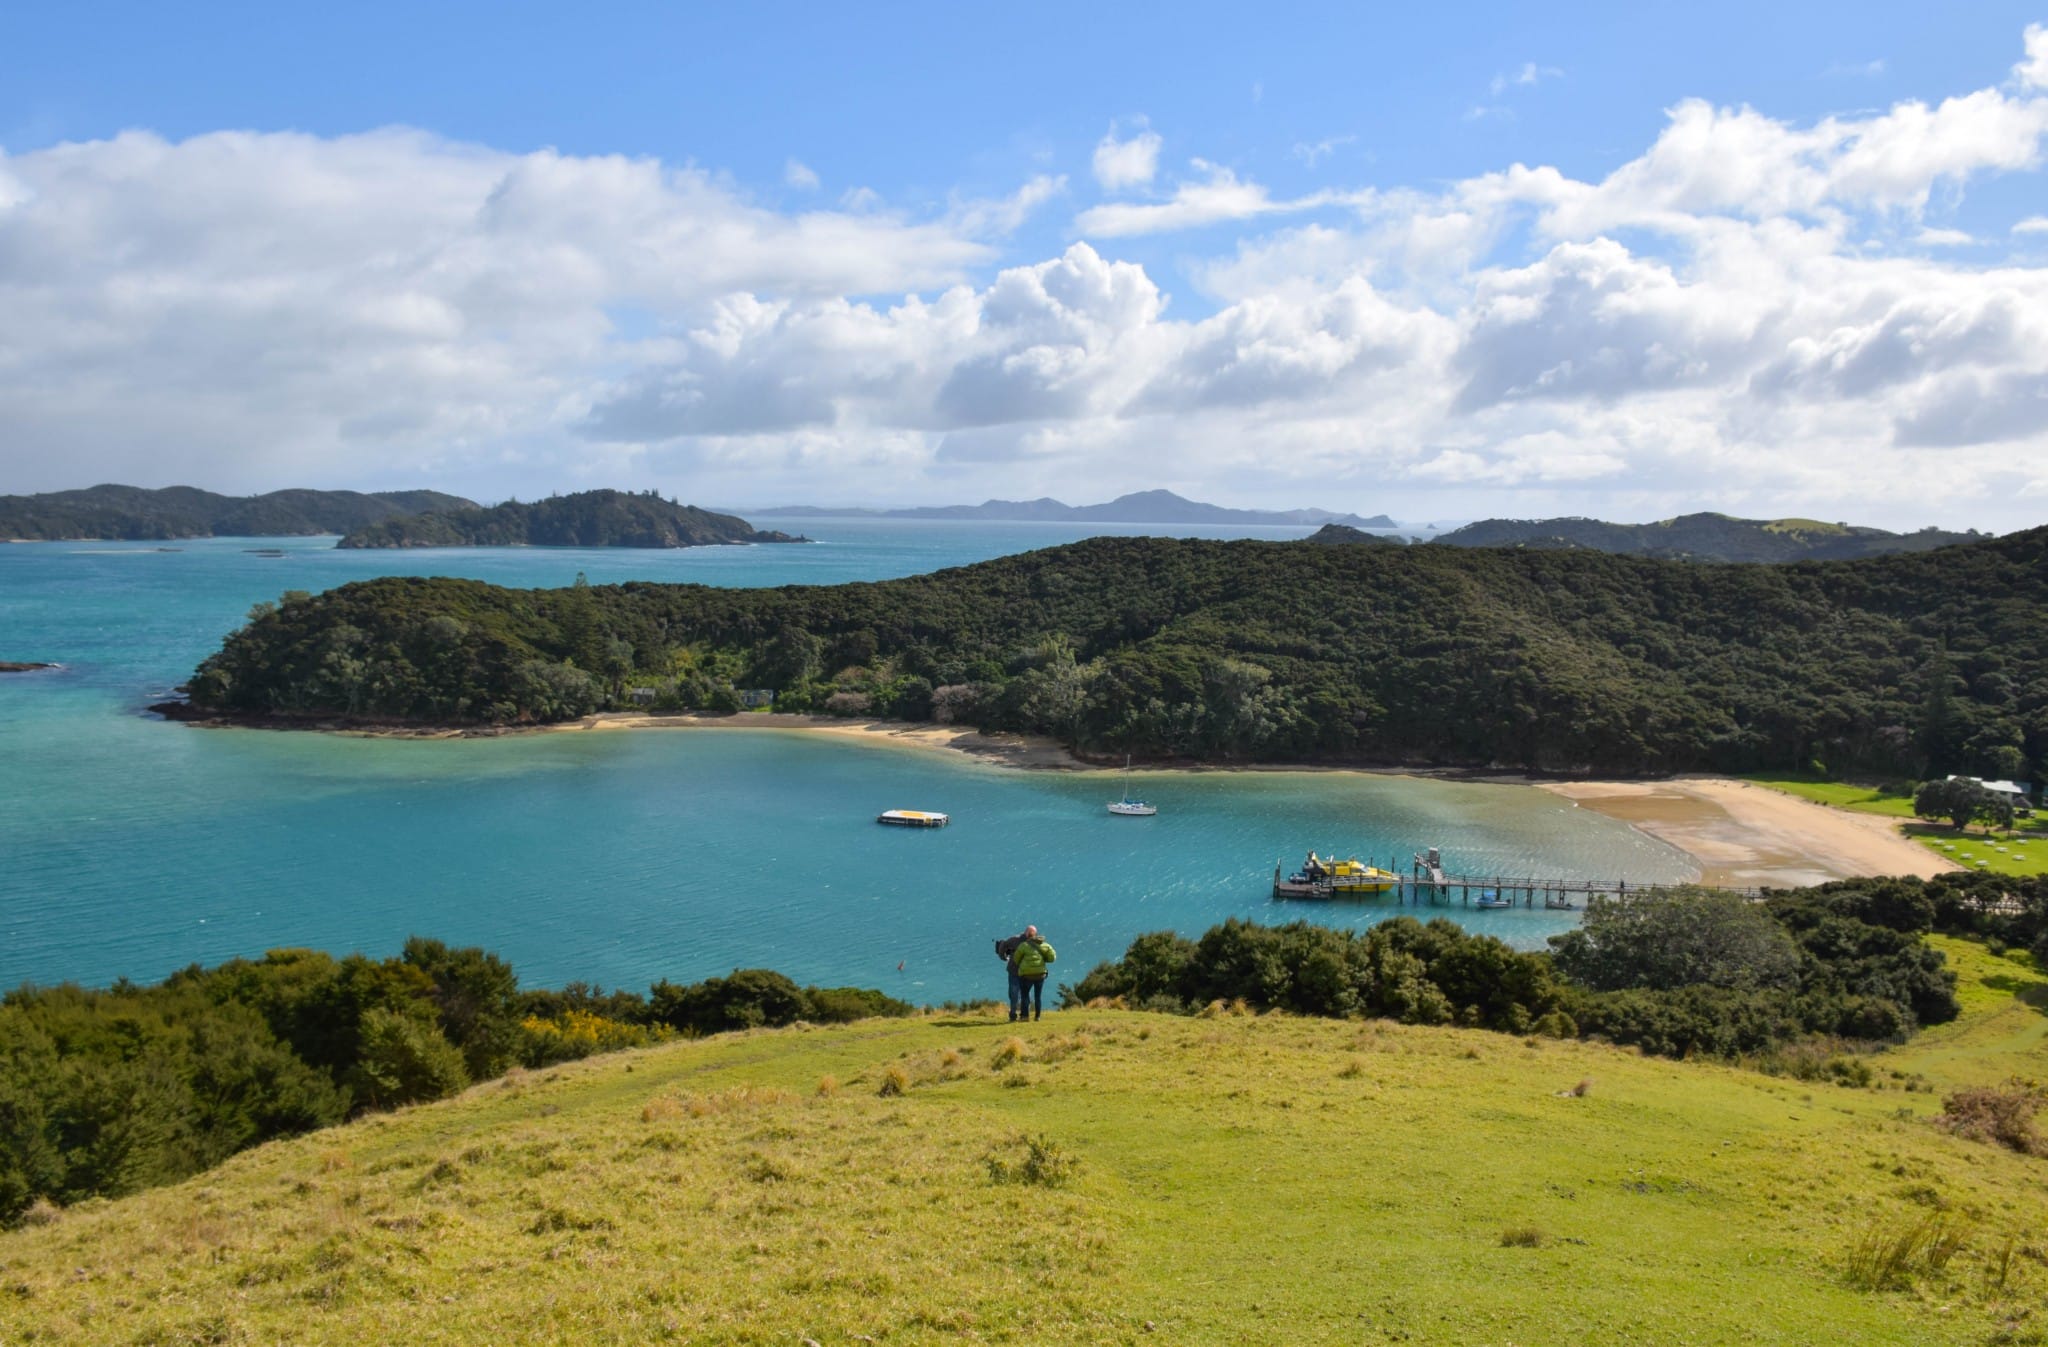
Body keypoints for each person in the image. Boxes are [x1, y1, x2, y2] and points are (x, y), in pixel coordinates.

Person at [1011, 924, 1056, 1021]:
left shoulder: (1023, 946)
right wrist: (1044, 960)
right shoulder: (1045, 945)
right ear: (1036, 934)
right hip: (1040, 974)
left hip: (1026, 975)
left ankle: (1025, 1016)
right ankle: (1037, 1016)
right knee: (1038, 996)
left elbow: (1016, 959)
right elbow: (1052, 958)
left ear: (1027, 935)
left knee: (1025, 995)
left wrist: (1023, 965)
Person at [994, 927, 1031, 1021]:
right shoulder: (1015, 939)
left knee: (1023, 994)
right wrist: (1003, 957)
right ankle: (1013, 1014)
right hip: (1015, 971)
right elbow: (1003, 944)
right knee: (1014, 994)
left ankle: (1024, 1015)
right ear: (1026, 934)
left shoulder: (1034, 941)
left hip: (1026, 972)